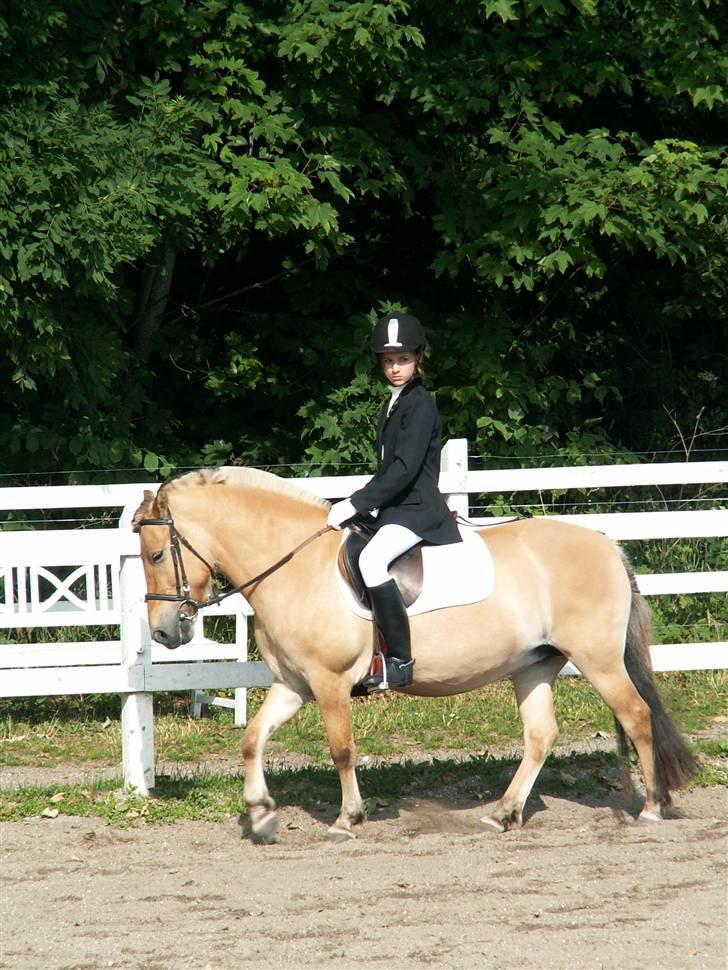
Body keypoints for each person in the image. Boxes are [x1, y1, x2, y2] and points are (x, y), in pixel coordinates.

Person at [327, 313, 461, 690]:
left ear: (418, 359)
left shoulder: (420, 404)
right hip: (394, 510)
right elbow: (389, 470)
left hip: (418, 511)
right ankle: (363, 653)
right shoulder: (395, 403)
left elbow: (403, 470)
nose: (395, 368)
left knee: (371, 560)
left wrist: (355, 503)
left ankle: (400, 661)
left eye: (402, 360)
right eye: (388, 361)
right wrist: (367, 507)